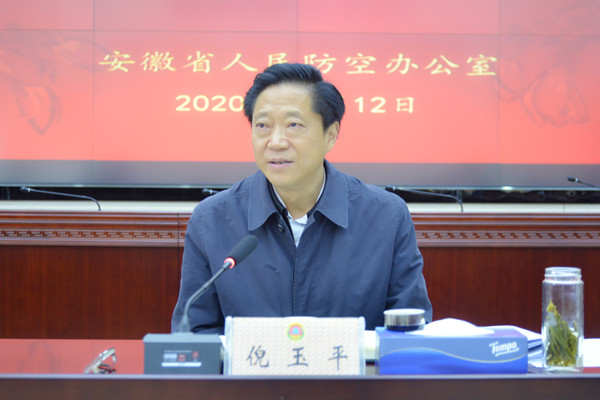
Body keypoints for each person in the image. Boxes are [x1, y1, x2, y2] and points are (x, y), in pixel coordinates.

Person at [172, 63, 432, 334]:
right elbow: (195, 333)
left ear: (330, 134)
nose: (276, 142)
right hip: (251, 365)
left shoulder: (386, 217)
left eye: (293, 125)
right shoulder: (212, 220)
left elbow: (410, 330)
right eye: (262, 125)